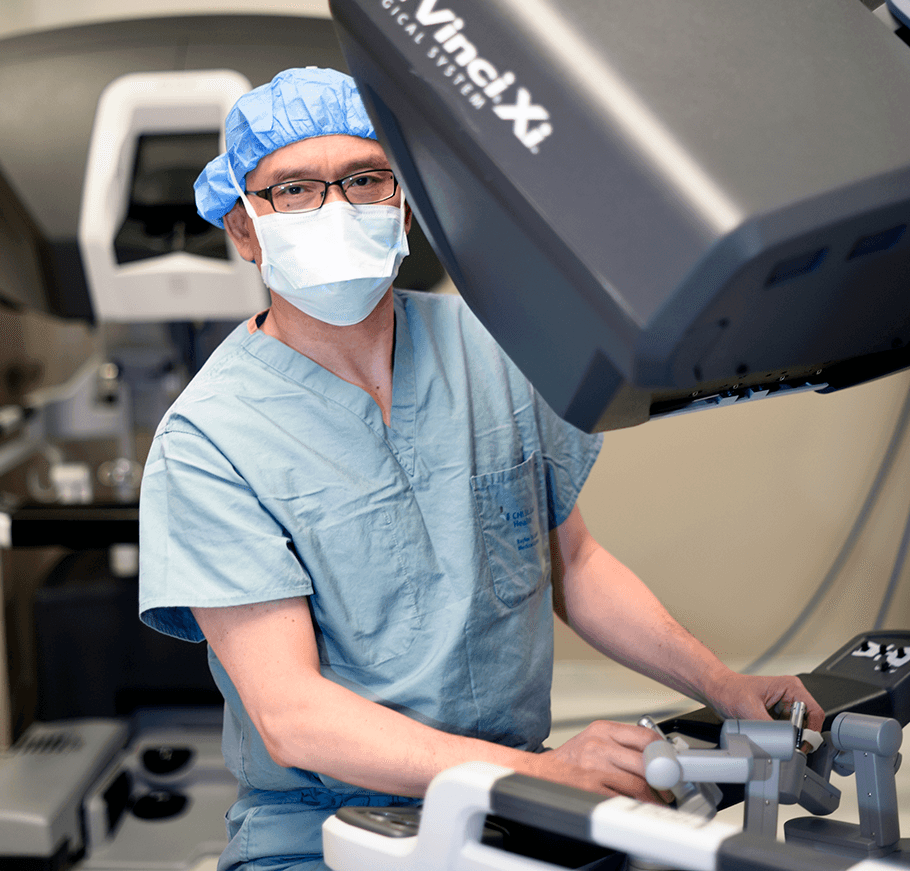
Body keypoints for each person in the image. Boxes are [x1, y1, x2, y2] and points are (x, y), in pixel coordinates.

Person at [139, 67, 823, 871]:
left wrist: (720, 682)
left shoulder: (490, 348)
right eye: (293, 190)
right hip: (330, 830)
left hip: (513, 809)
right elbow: (293, 715)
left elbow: (574, 562)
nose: (336, 207)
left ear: (403, 199)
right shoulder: (210, 439)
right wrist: (543, 774)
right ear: (245, 230)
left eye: (364, 179)